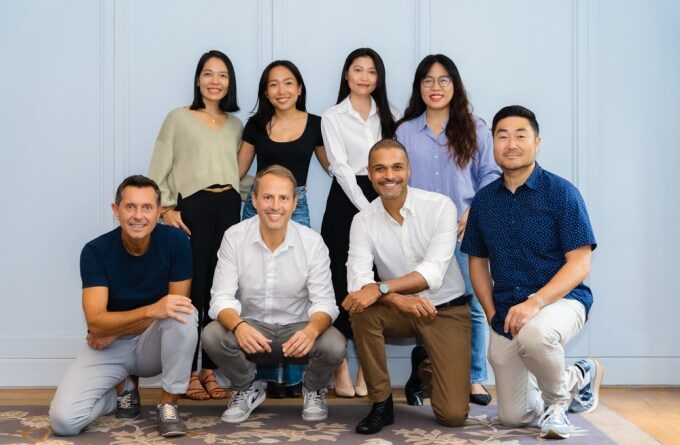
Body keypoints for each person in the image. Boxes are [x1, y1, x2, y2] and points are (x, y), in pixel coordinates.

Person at [461, 105, 603, 439]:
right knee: (514, 416)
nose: (511, 143)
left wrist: (535, 303)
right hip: (508, 309)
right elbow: (477, 264)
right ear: (493, 144)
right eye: (502, 136)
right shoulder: (483, 201)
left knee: (535, 335)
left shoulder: (561, 193)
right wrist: (492, 312)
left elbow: (580, 264)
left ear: (537, 142)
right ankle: (577, 376)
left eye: (520, 135)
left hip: (562, 301)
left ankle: (557, 401)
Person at [49, 175, 197, 438]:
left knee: (184, 314)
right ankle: (113, 395)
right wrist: (152, 310)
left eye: (147, 207)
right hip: (109, 347)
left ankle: (168, 404)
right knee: (64, 422)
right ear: (116, 210)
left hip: (152, 345)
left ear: (159, 212)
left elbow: (174, 307)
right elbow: (96, 323)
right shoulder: (95, 251)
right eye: (130, 207)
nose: (138, 216)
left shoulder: (177, 243)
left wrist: (114, 327)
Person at [202, 165, 346, 423]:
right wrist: (238, 326)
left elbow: (325, 303)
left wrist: (311, 331)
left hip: (298, 332)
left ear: (294, 203)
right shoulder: (234, 237)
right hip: (252, 331)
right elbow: (220, 297)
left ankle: (313, 389)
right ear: (255, 200)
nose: (275, 206)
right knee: (212, 334)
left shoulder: (312, 243)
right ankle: (247, 388)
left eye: (283, 198)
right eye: (267, 197)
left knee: (334, 344)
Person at [345, 139, 471, 434]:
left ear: (409, 170)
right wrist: (396, 299)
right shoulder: (362, 220)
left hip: (446, 310)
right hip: (399, 310)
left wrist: (382, 288)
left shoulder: (439, 206)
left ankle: (425, 365)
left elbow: (433, 273)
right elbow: (358, 280)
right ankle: (381, 403)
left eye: (396, 167)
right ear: (370, 174)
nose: (389, 175)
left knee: (452, 415)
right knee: (360, 310)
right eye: (380, 169)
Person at [396, 54, 500, 406]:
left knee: (472, 303)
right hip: (421, 234)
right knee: (428, 305)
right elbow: (396, 178)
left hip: (464, 231)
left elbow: (490, 175)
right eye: (428, 80)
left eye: (443, 80)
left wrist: (475, 211)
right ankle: (430, 373)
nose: (435, 87)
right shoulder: (405, 131)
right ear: (419, 87)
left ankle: (473, 378)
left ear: (455, 85)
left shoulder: (476, 127)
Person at [148, 50, 242, 401]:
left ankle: (210, 371)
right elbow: (158, 169)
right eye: (208, 73)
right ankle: (184, 375)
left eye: (222, 75)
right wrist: (167, 207)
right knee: (189, 292)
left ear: (230, 82)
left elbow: (236, 170)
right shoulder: (178, 118)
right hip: (194, 207)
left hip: (229, 206)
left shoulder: (235, 125)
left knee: (221, 289)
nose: (215, 81)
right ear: (198, 79)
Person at [237, 60, 330, 397]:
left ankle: (292, 378)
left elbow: (334, 166)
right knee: (257, 285)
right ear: (265, 91)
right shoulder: (255, 124)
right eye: (273, 84)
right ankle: (262, 375)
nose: (281, 90)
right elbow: (238, 170)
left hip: (298, 203)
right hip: (258, 205)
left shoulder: (317, 124)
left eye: (288, 83)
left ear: (300, 88)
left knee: (297, 288)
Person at [320, 48, 399, 397]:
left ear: (378, 78)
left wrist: (385, 203)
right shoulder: (333, 116)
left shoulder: (392, 115)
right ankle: (340, 369)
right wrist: (369, 207)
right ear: (346, 75)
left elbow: (395, 164)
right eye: (358, 70)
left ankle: (368, 370)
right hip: (347, 197)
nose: (364, 77)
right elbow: (339, 168)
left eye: (371, 71)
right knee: (340, 279)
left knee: (380, 279)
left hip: (387, 192)